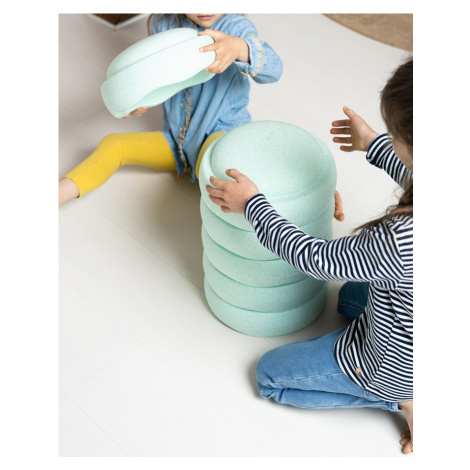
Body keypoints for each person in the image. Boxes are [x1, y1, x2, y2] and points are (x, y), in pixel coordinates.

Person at [205, 57, 413, 454]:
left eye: (394, 134)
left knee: (268, 377)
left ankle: (398, 397)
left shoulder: (402, 240)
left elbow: (314, 257)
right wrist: (373, 143)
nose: (391, 137)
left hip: (390, 365)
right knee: (350, 295)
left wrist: (253, 205)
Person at [58, 14, 283, 206]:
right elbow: (158, 78)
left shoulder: (235, 28)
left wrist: (239, 47)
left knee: (214, 172)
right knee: (113, 145)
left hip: (220, 132)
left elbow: (274, 69)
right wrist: (140, 99)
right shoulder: (164, 24)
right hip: (178, 142)